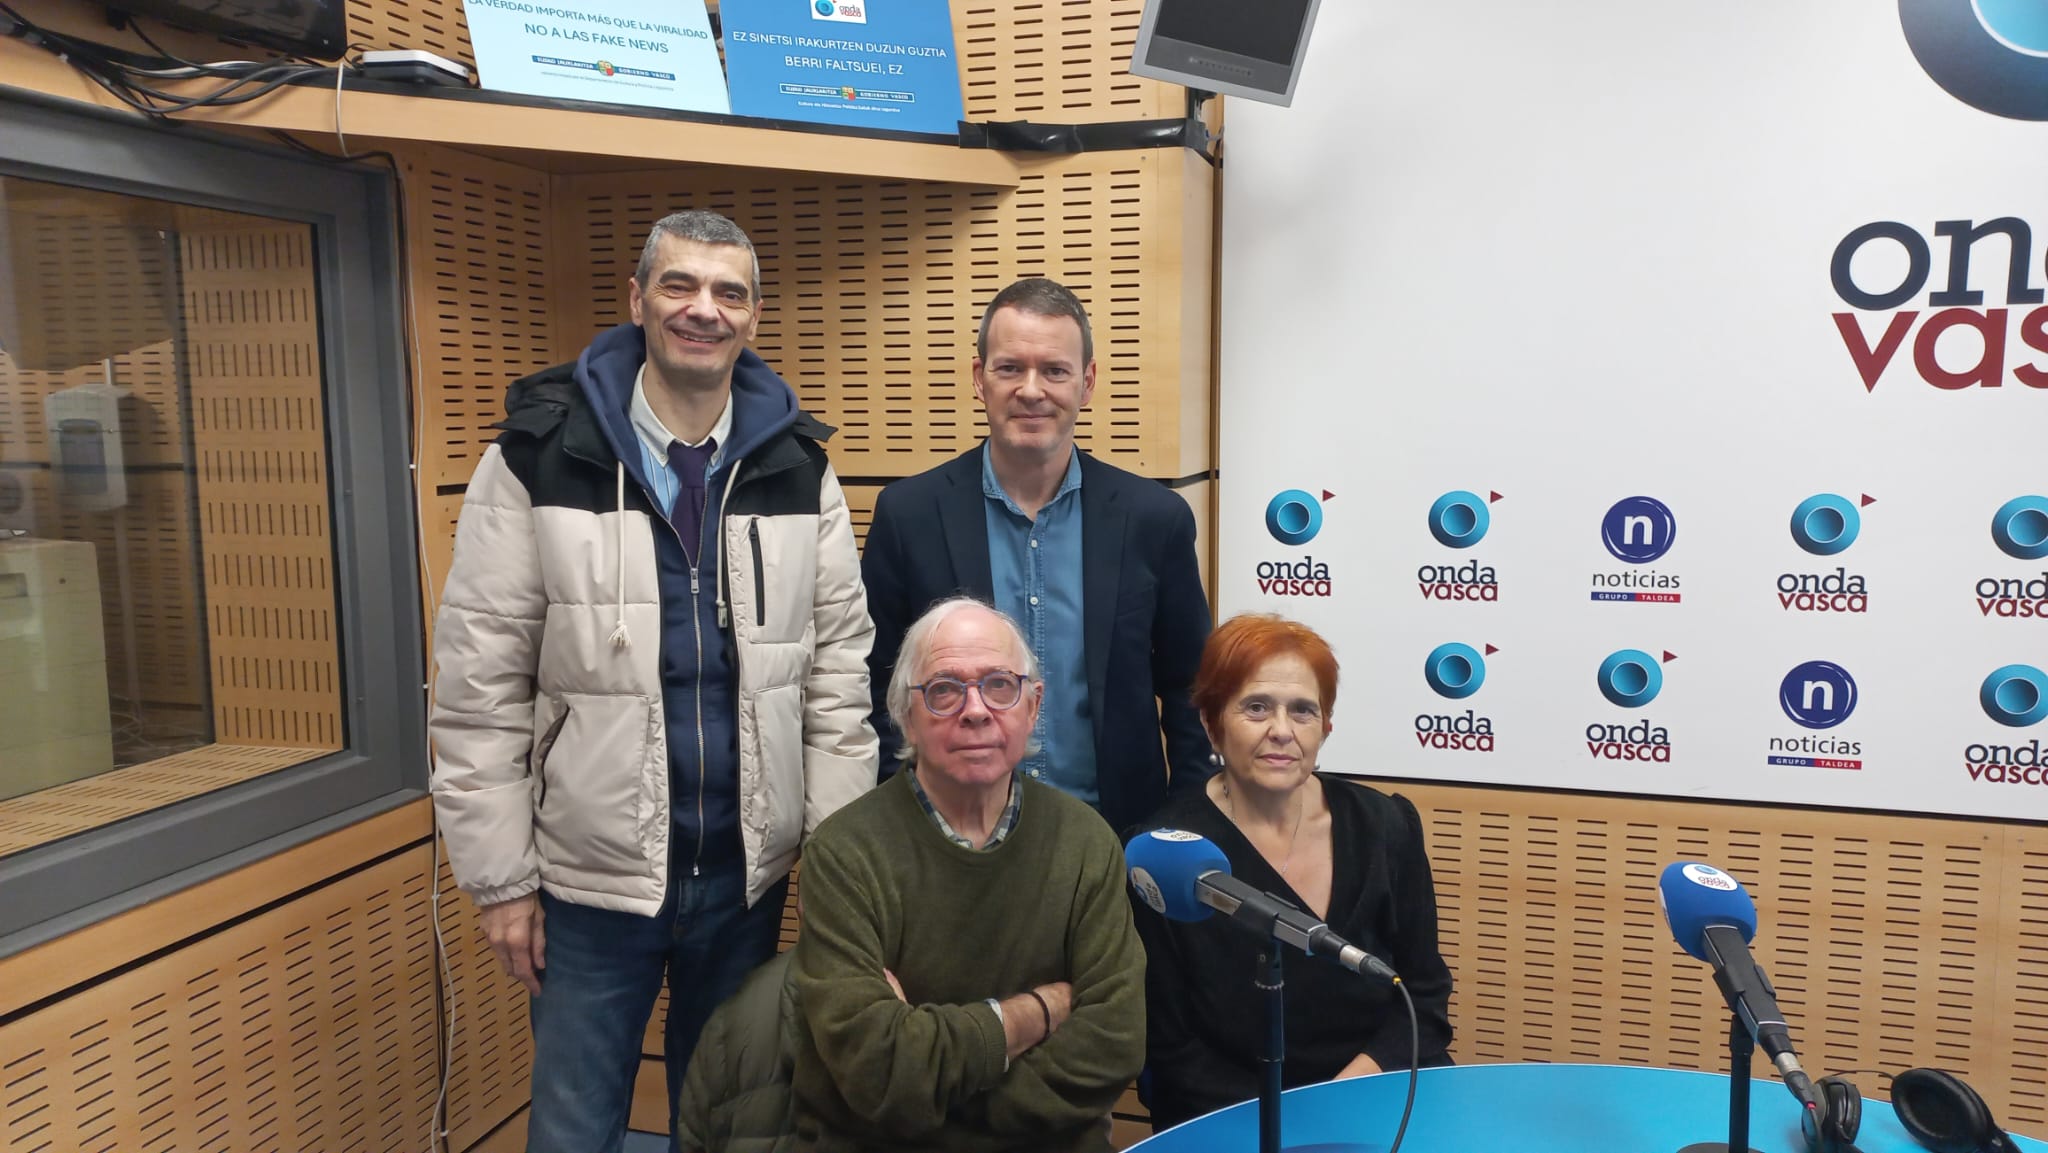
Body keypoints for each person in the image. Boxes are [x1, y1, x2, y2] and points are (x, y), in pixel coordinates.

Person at [429, 209, 877, 1153]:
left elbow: (838, 683)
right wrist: (501, 879)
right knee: (574, 1131)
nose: (702, 309)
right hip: (587, 890)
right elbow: (479, 687)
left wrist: (832, 867)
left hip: (746, 887)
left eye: (729, 292)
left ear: (753, 317)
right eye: (680, 285)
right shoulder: (536, 457)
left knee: (725, 1128)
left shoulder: (800, 467)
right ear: (638, 300)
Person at [789, 597, 1145, 1152]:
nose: (976, 710)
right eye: (945, 689)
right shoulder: (844, 854)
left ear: (1033, 704)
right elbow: (878, 1070)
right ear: (906, 714)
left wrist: (939, 1093)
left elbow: (1115, 1041)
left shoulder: (1087, 841)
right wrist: (1040, 1011)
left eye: (1000, 685)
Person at [859, 276, 1211, 834]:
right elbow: (876, 688)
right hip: (951, 838)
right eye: (1009, 368)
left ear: (1087, 382)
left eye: (1054, 370)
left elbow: (1193, 688)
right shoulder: (910, 516)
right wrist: (900, 827)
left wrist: (1185, 823)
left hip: (1116, 838)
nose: (1031, 389)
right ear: (980, 379)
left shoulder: (1153, 519)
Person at [1130, 613, 1453, 1131]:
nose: (1282, 731)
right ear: (1212, 723)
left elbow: (1424, 995)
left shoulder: (1386, 825)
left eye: (1303, 711)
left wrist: (1350, 1093)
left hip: (1378, 1095)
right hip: (1237, 1120)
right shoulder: (1164, 856)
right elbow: (1170, 1049)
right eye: (1256, 708)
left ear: (1326, 727)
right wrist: (1298, 1125)